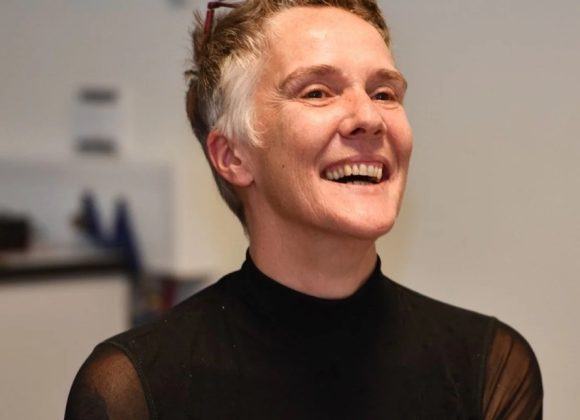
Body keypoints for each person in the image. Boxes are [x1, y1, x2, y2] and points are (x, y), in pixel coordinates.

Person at [65, 0, 543, 418]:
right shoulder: (136, 390)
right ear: (233, 156)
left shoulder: (488, 368)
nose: (369, 117)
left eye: (384, 94)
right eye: (317, 92)